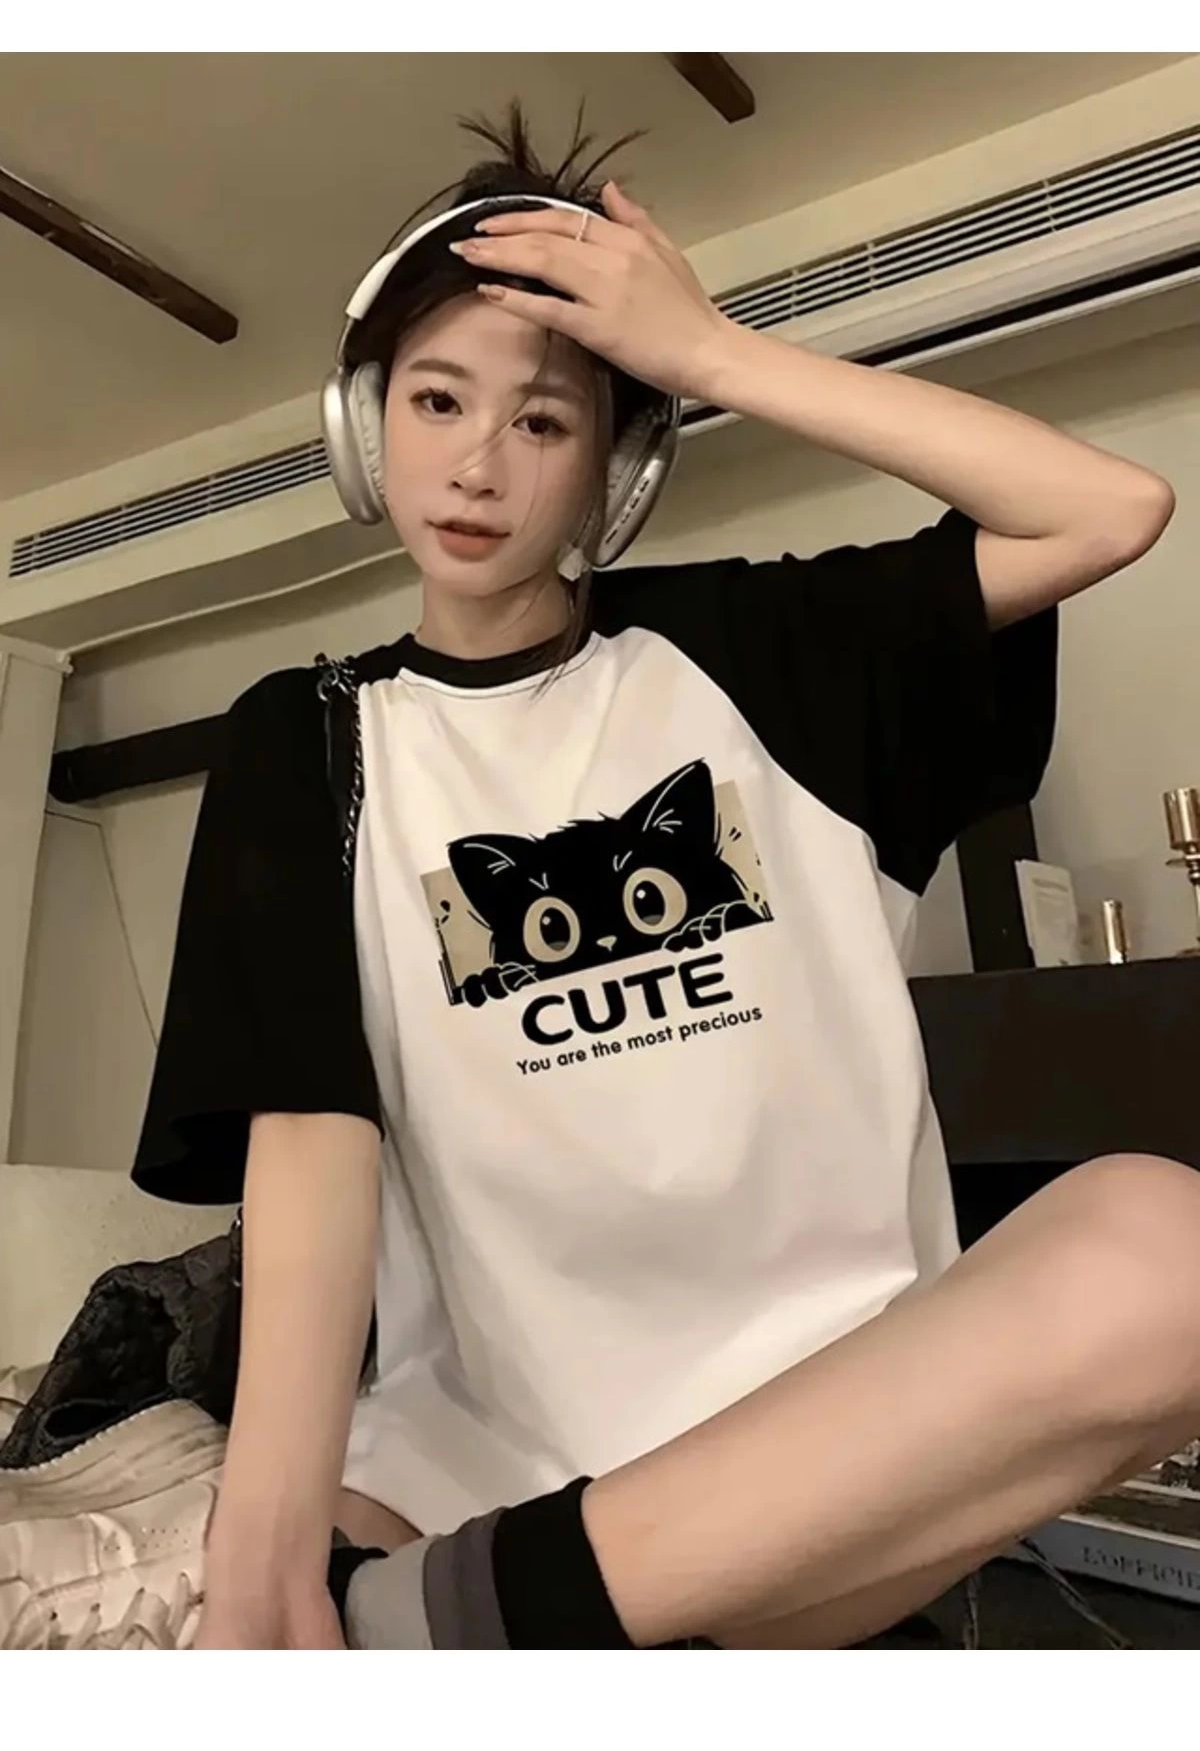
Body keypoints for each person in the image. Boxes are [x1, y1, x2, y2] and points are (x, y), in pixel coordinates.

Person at [132, 106, 1194, 1651]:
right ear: (368, 426)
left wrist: (712, 354)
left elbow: (1107, 509)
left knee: (1165, 1249)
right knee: (279, 1549)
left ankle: (462, 1629)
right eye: (436, 400)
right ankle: (494, 1613)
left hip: (827, 1466)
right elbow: (309, 1141)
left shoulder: (767, 656)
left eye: (544, 424)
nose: (477, 464)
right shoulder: (308, 739)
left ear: (618, 474)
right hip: (479, 1478)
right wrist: (264, 1548)